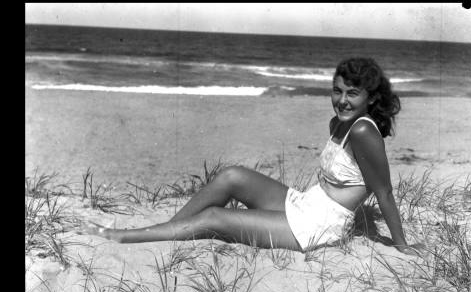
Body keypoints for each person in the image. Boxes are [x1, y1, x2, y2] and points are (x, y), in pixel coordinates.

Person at [79, 57, 424, 256]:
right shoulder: (338, 122)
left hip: (317, 227)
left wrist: (402, 245)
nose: (342, 100)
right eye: (337, 90)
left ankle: (125, 235)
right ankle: (170, 229)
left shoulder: (363, 131)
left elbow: (385, 193)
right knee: (231, 175)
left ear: (370, 98)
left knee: (215, 217)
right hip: (304, 204)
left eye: (353, 93)